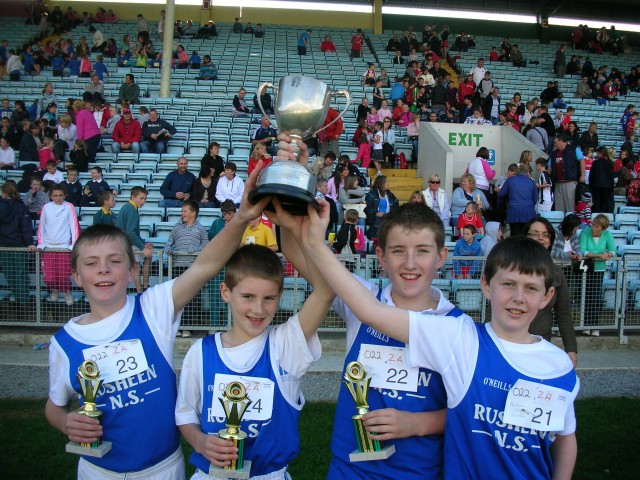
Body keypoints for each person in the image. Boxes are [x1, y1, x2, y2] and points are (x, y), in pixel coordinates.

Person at [302, 219, 580, 479]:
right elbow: (370, 311)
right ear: (485, 285)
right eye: (508, 284)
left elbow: (565, 436)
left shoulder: (558, 365)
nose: (518, 298)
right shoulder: (460, 337)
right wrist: (314, 243)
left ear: (547, 297)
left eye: (531, 288)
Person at [46, 163, 270, 478]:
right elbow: (54, 406)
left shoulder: (152, 308)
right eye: (92, 263)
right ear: (76, 276)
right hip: (97, 470)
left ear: (131, 269)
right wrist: (65, 421)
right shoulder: (63, 343)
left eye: (115, 261)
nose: (104, 270)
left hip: (162, 468)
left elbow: (206, 265)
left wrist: (243, 217)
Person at [277, 200, 455, 480]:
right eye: (398, 251)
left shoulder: (459, 327)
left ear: (441, 257)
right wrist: (294, 201)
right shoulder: (361, 297)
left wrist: (415, 423)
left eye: (422, 251)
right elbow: (293, 251)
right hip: (350, 469)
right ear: (381, 257)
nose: (410, 263)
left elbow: (468, 410)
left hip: (417, 472)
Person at [523, 218, 578, 367]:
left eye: (545, 234)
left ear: (550, 241)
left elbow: (564, 314)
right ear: (526, 238)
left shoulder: (556, 273)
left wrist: (571, 349)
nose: (540, 237)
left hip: (541, 346)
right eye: (535, 233)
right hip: (508, 345)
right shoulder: (512, 268)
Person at [37, 184, 80, 306]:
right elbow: (42, 226)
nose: (58, 198)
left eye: (61, 195)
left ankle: (66, 292)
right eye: (55, 195)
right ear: (51, 196)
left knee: (63, 275)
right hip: (48, 248)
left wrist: (73, 245)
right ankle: (54, 290)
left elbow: (74, 226)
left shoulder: (69, 207)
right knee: (49, 277)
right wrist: (41, 244)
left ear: (65, 195)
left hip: (64, 248)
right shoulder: (46, 207)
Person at [0, 182, 36, 309]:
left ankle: (17, 298)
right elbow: (26, 227)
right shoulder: (21, 206)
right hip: (19, 245)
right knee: (21, 274)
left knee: (9, 274)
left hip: (3, 246)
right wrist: (30, 243)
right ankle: (24, 301)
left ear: (4, 193)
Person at [579, 214, 615, 337]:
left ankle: (594, 325)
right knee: (586, 296)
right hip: (586, 269)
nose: (593, 227)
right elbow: (583, 251)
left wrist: (607, 254)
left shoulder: (607, 235)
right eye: (593, 224)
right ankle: (585, 325)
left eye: (597, 226)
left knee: (595, 297)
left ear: (603, 228)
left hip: (599, 269)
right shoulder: (585, 232)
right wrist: (598, 256)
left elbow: (613, 250)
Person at [116, 186, 152, 292]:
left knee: (141, 261)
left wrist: (143, 243)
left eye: (145, 199)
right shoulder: (131, 209)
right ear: (133, 197)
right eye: (141, 198)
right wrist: (142, 247)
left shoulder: (128, 207)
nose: (143, 201)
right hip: (126, 244)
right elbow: (130, 233)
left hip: (124, 243)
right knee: (143, 260)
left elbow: (133, 233)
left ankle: (142, 289)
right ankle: (142, 289)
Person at [497, 163, 537, 237]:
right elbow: (535, 199)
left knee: (515, 238)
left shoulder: (510, 180)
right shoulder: (532, 182)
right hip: (529, 213)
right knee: (527, 237)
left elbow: (500, 194)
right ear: (527, 172)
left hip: (514, 212)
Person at [550, 133, 585, 213]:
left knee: (570, 206)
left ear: (561, 141)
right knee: (559, 207)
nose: (554, 144)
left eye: (556, 142)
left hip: (570, 181)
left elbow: (582, 161)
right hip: (558, 182)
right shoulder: (554, 153)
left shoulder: (574, 149)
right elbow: (549, 167)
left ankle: (570, 223)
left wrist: (582, 175)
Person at [364, 175, 399, 242]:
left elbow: (396, 204)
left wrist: (391, 214)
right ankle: (375, 237)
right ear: (381, 183)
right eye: (386, 182)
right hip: (374, 217)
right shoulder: (371, 194)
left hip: (388, 217)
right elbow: (367, 207)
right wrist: (376, 212)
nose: (388, 183)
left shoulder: (389, 194)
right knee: (380, 220)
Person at [589, 146, 615, 214]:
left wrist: (590, 186)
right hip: (607, 187)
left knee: (596, 205)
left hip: (596, 186)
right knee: (604, 206)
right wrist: (611, 188)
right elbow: (611, 177)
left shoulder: (595, 163)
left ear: (600, 153)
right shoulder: (609, 163)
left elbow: (591, 175)